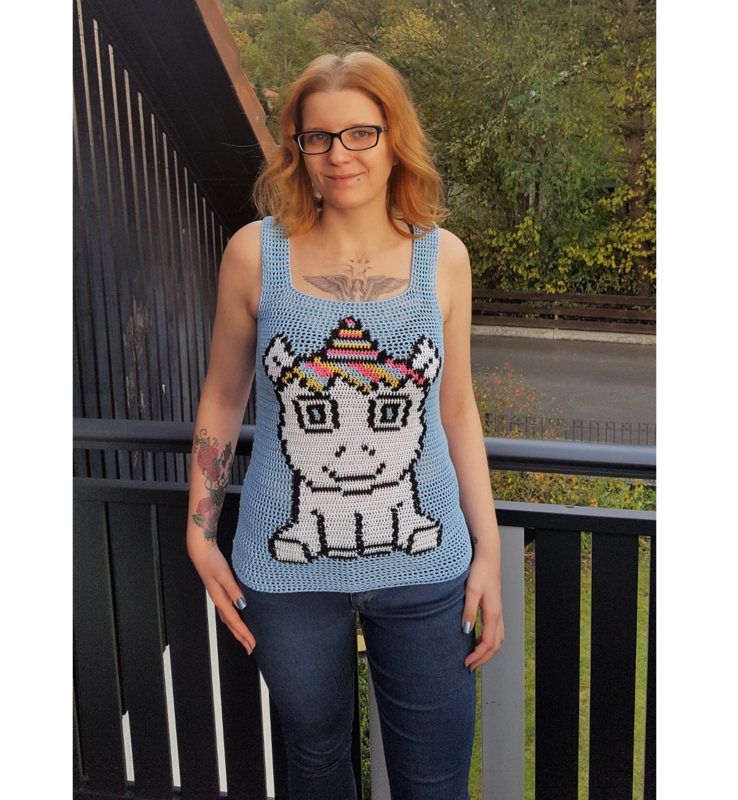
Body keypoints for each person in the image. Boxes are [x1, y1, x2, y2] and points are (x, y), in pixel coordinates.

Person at [186, 50, 504, 800]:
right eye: (317, 137)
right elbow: (223, 400)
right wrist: (199, 531)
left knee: (434, 782)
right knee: (317, 764)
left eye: (360, 133)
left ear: (394, 139)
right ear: (296, 147)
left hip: (428, 570)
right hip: (286, 575)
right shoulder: (253, 254)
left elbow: (456, 407)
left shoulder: (444, 259)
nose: (339, 155)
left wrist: (487, 549)